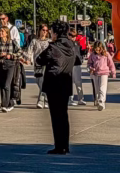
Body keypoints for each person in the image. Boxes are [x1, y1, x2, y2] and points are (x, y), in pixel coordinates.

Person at [37, 20, 81, 155]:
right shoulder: (73, 45)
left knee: (56, 117)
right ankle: (65, 145)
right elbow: (78, 60)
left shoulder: (53, 47)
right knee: (64, 115)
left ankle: (59, 146)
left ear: (55, 32)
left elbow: (40, 59)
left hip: (53, 83)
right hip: (65, 83)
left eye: (51, 31)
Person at [0, 26, 20, 112]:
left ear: (7, 33)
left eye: (2, 32)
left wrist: (10, 55)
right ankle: (5, 103)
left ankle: (6, 104)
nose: (0, 33)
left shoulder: (12, 42)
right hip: (0, 65)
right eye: (0, 32)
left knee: (7, 85)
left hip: (11, 65)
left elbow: (19, 52)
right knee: (2, 85)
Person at [25, 23, 51, 109]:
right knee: (39, 82)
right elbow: (30, 51)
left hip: (47, 65)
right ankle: (46, 99)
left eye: (46, 30)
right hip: (38, 64)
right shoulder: (34, 41)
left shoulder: (49, 42)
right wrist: (28, 59)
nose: (45, 32)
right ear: (39, 31)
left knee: (45, 82)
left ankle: (41, 101)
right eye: (43, 30)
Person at [87, 40, 116, 111]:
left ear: (101, 48)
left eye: (99, 49)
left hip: (104, 73)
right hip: (95, 73)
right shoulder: (92, 55)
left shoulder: (106, 54)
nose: (97, 51)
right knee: (97, 89)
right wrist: (91, 68)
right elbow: (89, 63)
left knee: (102, 88)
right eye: (96, 49)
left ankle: (101, 102)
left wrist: (113, 72)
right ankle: (98, 100)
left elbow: (111, 64)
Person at [68, 30, 86, 106]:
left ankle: (80, 98)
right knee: (70, 82)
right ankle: (70, 99)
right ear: (68, 35)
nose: (73, 37)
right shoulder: (66, 44)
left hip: (77, 64)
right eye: (71, 35)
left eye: (75, 36)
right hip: (69, 65)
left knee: (78, 82)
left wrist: (85, 48)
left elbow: (82, 53)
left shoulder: (77, 44)